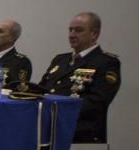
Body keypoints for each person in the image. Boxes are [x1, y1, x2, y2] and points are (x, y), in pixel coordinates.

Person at [38, 11, 121, 142]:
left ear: (94, 34)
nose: (71, 35)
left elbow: (97, 102)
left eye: (78, 30)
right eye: (70, 30)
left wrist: (56, 112)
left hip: (79, 131)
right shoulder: (60, 59)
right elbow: (42, 89)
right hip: (48, 126)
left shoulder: (106, 62)